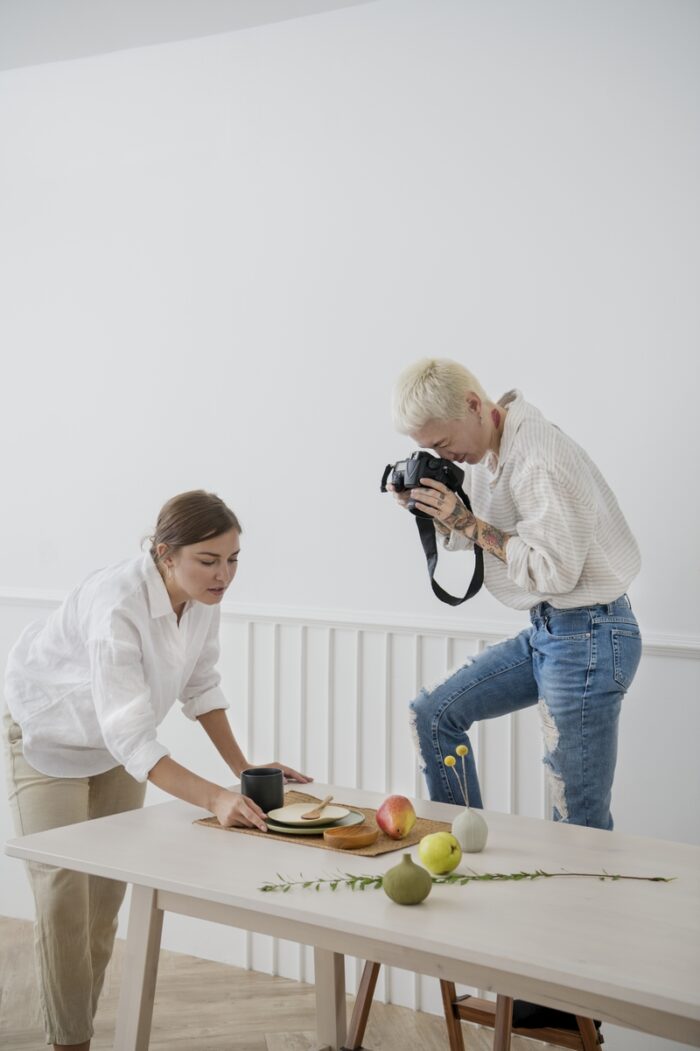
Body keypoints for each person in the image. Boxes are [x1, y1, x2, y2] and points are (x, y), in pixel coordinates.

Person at [3, 489, 310, 1051]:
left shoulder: (202, 599)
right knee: (63, 897)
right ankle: (68, 1041)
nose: (225, 575)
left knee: (104, 901)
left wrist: (244, 769)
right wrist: (215, 799)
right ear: (166, 554)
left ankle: (76, 1030)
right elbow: (134, 738)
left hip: (116, 748)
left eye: (234, 558)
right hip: (48, 740)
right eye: (209, 560)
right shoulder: (116, 602)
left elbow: (200, 685)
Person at [391, 358, 642, 1028]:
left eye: (446, 445)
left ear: (475, 403)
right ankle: (465, 852)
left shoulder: (541, 458)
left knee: (578, 827)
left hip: (588, 633)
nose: (448, 458)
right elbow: (512, 552)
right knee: (435, 714)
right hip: (550, 631)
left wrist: (470, 526)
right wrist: (442, 511)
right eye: (435, 453)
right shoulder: (496, 451)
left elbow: (553, 569)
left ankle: (574, 995)